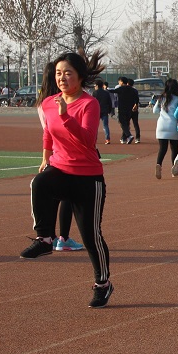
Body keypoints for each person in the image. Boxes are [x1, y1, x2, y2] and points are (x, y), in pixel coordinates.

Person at [20, 51, 113, 308]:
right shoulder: (50, 102)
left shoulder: (88, 104)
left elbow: (87, 140)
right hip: (61, 168)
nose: (61, 78)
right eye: (58, 73)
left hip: (87, 177)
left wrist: (65, 116)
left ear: (80, 76)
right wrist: (45, 157)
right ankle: (45, 239)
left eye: (68, 73)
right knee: (39, 183)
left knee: (91, 236)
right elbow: (48, 132)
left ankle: (103, 284)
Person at [33, 61, 85, 253]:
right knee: (67, 197)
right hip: (65, 153)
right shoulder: (59, 101)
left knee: (50, 196)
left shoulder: (43, 102)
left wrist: (45, 157)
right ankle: (62, 238)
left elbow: (46, 131)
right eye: (59, 73)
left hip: (53, 153)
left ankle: (49, 236)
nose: (62, 77)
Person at [153, 78, 178, 179]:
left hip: (161, 125)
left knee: (162, 148)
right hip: (173, 125)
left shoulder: (161, 97)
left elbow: (154, 111)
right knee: (174, 149)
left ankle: (158, 164)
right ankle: (174, 169)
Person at [115, 76, 138, 144]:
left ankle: (129, 135)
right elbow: (137, 98)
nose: (119, 83)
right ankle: (124, 138)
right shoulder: (133, 89)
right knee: (127, 123)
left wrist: (106, 89)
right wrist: (136, 104)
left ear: (122, 82)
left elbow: (113, 91)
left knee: (122, 122)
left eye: (119, 81)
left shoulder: (121, 88)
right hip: (130, 109)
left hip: (122, 108)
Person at [91, 80, 113, 145]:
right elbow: (110, 102)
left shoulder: (94, 93)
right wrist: (109, 110)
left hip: (96, 111)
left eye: (95, 86)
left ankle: (94, 139)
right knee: (105, 125)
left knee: (95, 126)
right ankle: (107, 139)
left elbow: (92, 103)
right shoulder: (106, 93)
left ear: (97, 86)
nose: (94, 87)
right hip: (105, 111)